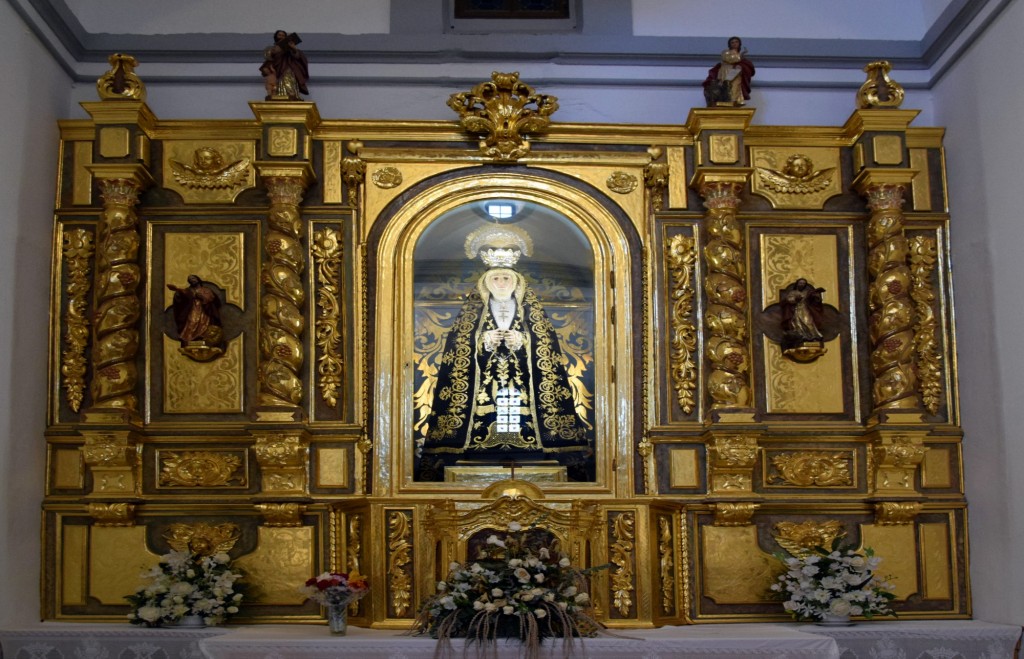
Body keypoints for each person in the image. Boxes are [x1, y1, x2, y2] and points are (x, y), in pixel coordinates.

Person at [418, 226, 593, 481]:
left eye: (506, 279)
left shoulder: (531, 312)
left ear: (516, 283)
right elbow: (458, 350)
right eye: (496, 279)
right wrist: (481, 340)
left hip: (522, 388)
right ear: (487, 283)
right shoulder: (472, 313)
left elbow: (547, 348)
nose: (501, 284)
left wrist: (524, 340)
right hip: (483, 389)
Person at [168, 274, 222, 345]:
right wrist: (178, 294)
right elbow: (182, 298)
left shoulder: (206, 289)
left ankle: (202, 336)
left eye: (193, 278)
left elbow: (213, 299)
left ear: (198, 279)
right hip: (193, 308)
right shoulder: (188, 290)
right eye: (190, 279)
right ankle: (190, 337)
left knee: (204, 323)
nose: (192, 280)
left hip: (204, 310)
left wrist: (204, 298)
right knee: (192, 321)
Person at [703, 36, 755, 106]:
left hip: (736, 72)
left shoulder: (740, 55)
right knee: (726, 85)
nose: (734, 44)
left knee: (736, 85)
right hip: (726, 70)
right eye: (732, 42)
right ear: (729, 44)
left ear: (739, 44)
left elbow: (743, 64)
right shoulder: (726, 52)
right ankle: (726, 100)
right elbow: (729, 59)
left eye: (736, 42)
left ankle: (735, 101)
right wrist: (741, 55)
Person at [260, 30, 309, 100]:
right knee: (275, 82)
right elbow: (268, 58)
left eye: (283, 35)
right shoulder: (272, 48)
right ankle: (278, 94)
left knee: (288, 77)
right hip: (277, 68)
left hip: (287, 66)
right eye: (279, 35)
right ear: (276, 37)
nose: (281, 36)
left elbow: (297, 56)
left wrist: (293, 48)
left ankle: (291, 94)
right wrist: (275, 51)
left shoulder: (289, 48)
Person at [780, 278, 826, 347]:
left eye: (803, 283)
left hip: (805, 309)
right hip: (796, 310)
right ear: (797, 284)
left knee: (808, 322)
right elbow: (788, 300)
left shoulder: (807, 292)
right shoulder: (793, 292)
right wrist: (796, 299)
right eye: (800, 283)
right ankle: (801, 336)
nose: (802, 284)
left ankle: (812, 336)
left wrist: (816, 295)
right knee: (797, 324)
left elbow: (813, 300)